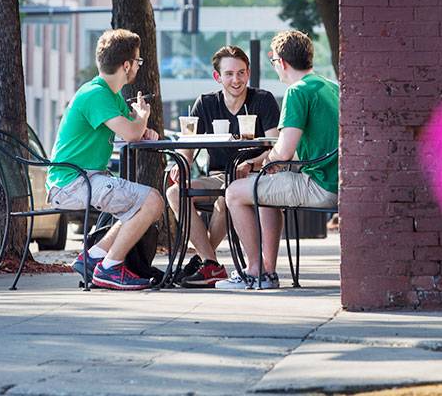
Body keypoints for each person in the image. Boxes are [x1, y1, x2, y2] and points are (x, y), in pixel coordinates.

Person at [216, 30, 339, 290]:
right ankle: (267, 273)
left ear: (282, 62)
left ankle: (254, 271)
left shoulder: (297, 91)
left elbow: (283, 152)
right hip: (337, 180)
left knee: (235, 192)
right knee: (265, 187)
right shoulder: (330, 86)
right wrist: (266, 164)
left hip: (320, 184)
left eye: (275, 63)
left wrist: (257, 164)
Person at [46, 29, 164, 291]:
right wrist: (142, 118)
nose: (137, 66)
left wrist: (143, 128)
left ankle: (95, 257)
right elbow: (133, 131)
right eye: (138, 61)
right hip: (72, 183)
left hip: (86, 179)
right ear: (126, 65)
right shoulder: (95, 94)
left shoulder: (110, 95)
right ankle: (110, 268)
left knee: (140, 206)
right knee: (152, 200)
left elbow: (132, 132)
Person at [166, 45, 280, 288]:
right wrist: (181, 163)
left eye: (240, 72)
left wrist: (253, 162)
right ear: (217, 77)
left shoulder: (263, 100)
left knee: (226, 197)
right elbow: (187, 147)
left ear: (248, 73)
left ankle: (206, 265)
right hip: (218, 175)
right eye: (229, 74)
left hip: (253, 176)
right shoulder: (206, 103)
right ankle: (211, 262)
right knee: (174, 192)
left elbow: (275, 146)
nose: (236, 79)